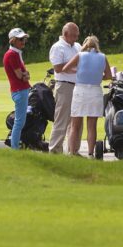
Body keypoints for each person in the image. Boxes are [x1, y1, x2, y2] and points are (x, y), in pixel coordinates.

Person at [63, 35, 112, 157]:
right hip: (95, 91)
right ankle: (90, 153)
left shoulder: (80, 55)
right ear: (97, 45)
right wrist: (97, 76)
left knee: (75, 125)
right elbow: (109, 76)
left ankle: (72, 152)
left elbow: (65, 68)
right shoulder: (102, 57)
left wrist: (79, 71)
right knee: (92, 126)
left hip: (80, 90)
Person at [47, 22, 81, 154]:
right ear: (66, 34)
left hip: (78, 86)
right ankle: (55, 150)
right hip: (64, 86)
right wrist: (75, 65)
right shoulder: (58, 47)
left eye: (77, 35)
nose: (76, 38)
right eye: (74, 35)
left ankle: (74, 150)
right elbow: (58, 68)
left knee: (77, 121)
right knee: (62, 120)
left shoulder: (77, 46)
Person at [3, 27, 31, 150]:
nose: (23, 42)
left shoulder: (15, 53)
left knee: (20, 122)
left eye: (24, 39)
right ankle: (15, 147)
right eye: (20, 39)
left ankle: (17, 145)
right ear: (13, 40)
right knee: (19, 122)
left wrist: (25, 75)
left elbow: (26, 75)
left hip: (21, 90)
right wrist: (25, 75)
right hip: (20, 90)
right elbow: (21, 75)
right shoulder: (12, 55)